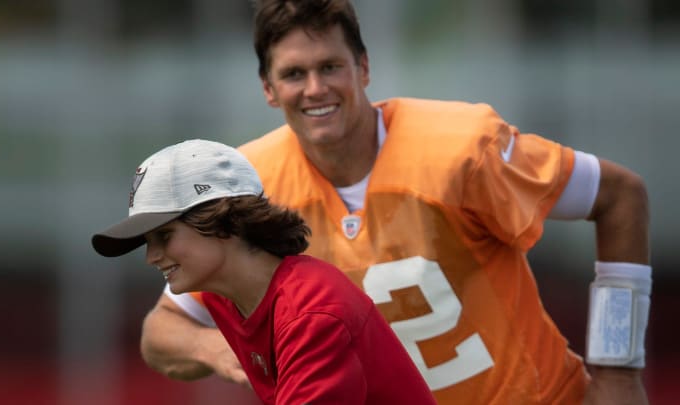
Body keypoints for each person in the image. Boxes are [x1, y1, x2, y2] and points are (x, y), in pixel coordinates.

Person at [139, 1, 652, 404]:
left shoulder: (459, 149)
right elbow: (161, 331)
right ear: (268, 89)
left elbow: (620, 196)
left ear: (363, 68)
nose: (315, 88)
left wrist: (618, 370)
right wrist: (219, 349)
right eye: (295, 73)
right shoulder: (253, 183)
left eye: (331, 66)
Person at [90, 139, 436, 405]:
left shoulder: (310, 312)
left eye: (164, 236)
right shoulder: (225, 294)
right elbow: (157, 338)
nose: (152, 256)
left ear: (223, 221)